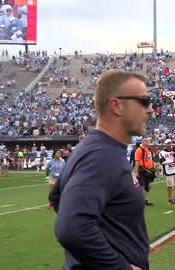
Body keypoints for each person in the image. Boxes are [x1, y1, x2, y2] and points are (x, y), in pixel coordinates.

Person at [51, 70, 152, 270]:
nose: (150, 109)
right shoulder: (101, 155)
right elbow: (71, 228)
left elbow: (56, 197)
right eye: (144, 101)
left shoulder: (97, 147)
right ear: (117, 105)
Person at [159, 139, 175, 205]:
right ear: (165, 144)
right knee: (170, 186)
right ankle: (170, 199)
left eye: (170, 143)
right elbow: (162, 162)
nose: (169, 144)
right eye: (168, 143)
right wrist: (172, 160)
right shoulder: (162, 153)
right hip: (169, 171)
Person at [134, 137, 156, 206]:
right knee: (140, 186)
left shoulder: (148, 150)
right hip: (141, 170)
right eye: (146, 141)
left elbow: (150, 160)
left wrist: (153, 167)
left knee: (147, 186)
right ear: (142, 142)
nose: (147, 142)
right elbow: (137, 162)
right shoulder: (139, 150)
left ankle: (145, 201)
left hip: (148, 170)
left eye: (148, 141)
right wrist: (136, 172)